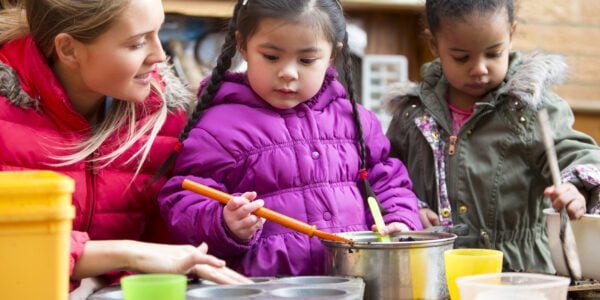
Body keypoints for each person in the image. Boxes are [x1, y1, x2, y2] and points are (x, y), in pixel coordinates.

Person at [0, 0, 250, 298]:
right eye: (137, 43)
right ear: (68, 50)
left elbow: (167, 247)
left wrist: (223, 226)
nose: (159, 55)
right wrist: (127, 252)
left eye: (158, 32)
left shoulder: (162, 117)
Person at [158, 0, 422, 277]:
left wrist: (400, 220)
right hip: (265, 290)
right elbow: (184, 197)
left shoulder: (356, 121)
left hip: (355, 282)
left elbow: (388, 180)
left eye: (307, 60)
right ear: (243, 45)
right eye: (271, 57)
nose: (288, 72)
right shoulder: (217, 128)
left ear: (333, 54)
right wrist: (224, 222)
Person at [385, 0, 600, 274]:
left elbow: (579, 153)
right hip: (433, 272)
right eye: (462, 57)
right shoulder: (412, 114)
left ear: (511, 35)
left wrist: (576, 187)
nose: (479, 68)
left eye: (494, 53)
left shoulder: (529, 109)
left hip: (519, 272)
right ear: (433, 44)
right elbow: (388, 174)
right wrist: (411, 207)